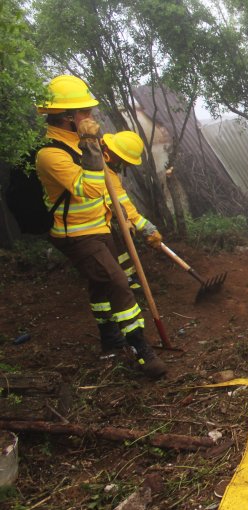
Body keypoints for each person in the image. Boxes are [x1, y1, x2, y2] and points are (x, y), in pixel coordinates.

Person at [34, 75, 167, 378]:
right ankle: (140, 349)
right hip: (76, 236)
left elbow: (115, 192)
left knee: (101, 283)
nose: (92, 118)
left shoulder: (88, 146)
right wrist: (91, 146)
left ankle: (109, 339)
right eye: (87, 112)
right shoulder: (51, 155)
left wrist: (141, 225)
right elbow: (91, 189)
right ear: (70, 118)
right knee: (118, 283)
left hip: (100, 228)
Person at [101, 131, 164, 288]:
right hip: (87, 221)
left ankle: (130, 278)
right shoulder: (101, 169)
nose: (126, 166)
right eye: (125, 162)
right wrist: (147, 229)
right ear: (114, 154)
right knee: (112, 246)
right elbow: (119, 203)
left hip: (102, 216)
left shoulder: (105, 164)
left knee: (119, 243)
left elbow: (122, 204)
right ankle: (123, 282)